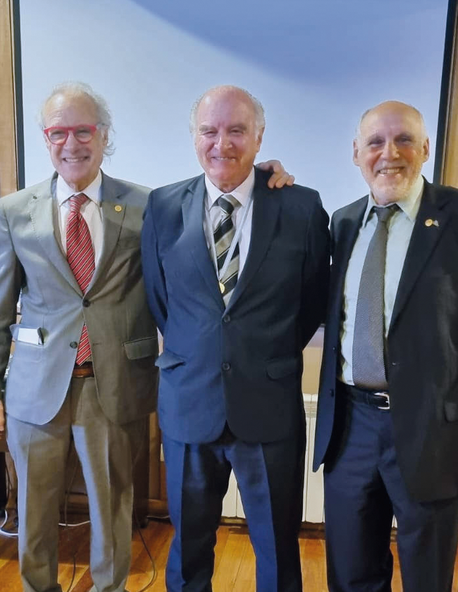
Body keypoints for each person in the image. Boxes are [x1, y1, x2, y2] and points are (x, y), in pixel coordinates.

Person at [0, 81, 292, 592]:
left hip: (115, 384)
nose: (71, 143)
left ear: (104, 136)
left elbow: (216, 194)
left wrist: (267, 170)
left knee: (114, 513)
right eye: (59, 132)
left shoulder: (151, 206)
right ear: (45, 138)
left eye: (84, 130)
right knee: (32, 516)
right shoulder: (15, 211)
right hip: (35, 389)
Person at [313, 101, 458, 592]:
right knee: (350, 573)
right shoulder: (343, 223)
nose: (390, 153)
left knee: (427, 575)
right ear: (356, 154)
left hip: (434, 432)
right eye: (375, 142)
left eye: (404, 140)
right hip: (349, 429)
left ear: (425, 148)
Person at [141, 85, 330, 592]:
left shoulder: (301, 207)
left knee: (277, 548)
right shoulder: (161, 206)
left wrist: (263, 355)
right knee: (189, 547)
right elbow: (162, 302)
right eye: (209, 130)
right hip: (188, 404)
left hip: (268, 407)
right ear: (194, 137)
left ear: (259, 136)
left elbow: (312, 302)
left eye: (236, 130)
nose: (221, 142)